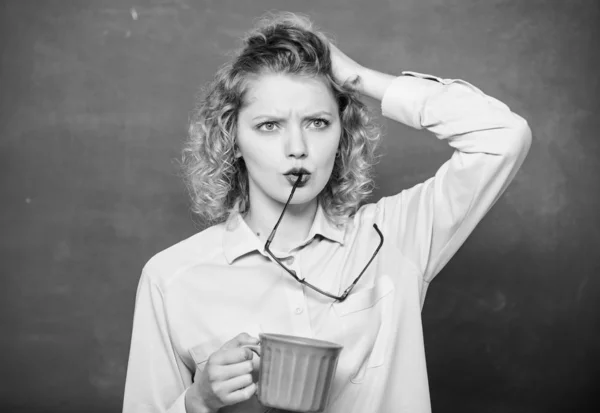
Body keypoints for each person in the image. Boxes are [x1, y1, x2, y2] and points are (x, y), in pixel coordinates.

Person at [122, 11, 531, 413]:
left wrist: (357, 77)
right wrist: (197, 403)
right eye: (269, 125)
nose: (297, 147)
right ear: (232, 140)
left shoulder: (394, 239)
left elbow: (504, 138)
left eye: (317, 122)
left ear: (343, 134)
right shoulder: (171, 279)